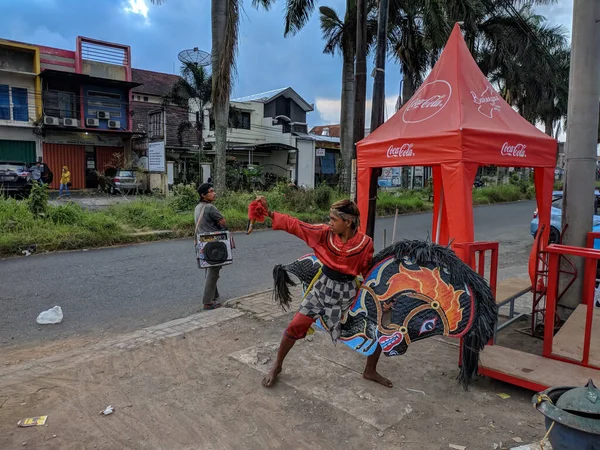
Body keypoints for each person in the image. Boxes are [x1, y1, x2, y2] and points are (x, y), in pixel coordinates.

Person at [262, 199, 392, 388]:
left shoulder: (365, 244)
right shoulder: (323, 234)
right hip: (322, 287)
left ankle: (370, 370)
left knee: (375, 326)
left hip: (348, 292)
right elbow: (296, 225)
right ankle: (277, 365)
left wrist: (381, 298)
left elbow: (367, 271)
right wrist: (270, 213)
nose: (330, 222)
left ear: (347, 222)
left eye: (334, 219)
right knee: (295, 326)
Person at [194, 183, 227, 310]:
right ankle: (207, 301)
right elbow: (223, 222)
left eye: (213, 190)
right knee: (213, 271)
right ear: (203, 195)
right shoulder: (210, 207)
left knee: (210, 269)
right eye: (211, 191)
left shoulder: (198, 207)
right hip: (213, 244)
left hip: (201, 243)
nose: (214, 193)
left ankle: (214, 294)